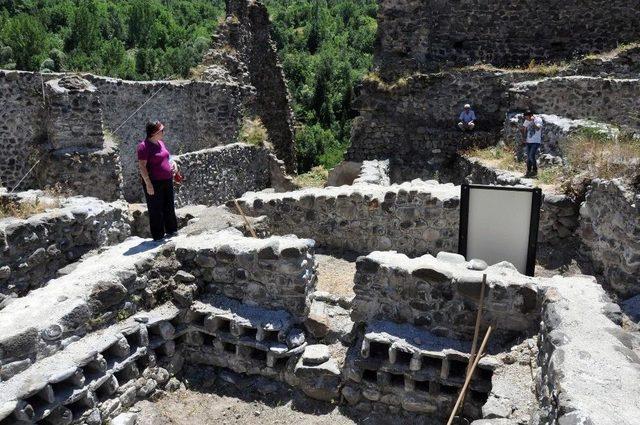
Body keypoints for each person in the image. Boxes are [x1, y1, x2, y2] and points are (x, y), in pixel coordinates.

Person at [137, 121, 179, 241]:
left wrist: (174, 163)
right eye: (161, 130)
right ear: (154, 133)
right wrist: (148, 184)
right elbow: (142, 166)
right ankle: (158, 236)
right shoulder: (143, 147)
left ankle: (172, 230)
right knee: (156, 209)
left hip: (167, 180)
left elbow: (168, 156)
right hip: (154, 182)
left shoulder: (161, 143)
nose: (163, 132)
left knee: (169, 206)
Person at [520, 111, 543, 178]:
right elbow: (523, 128)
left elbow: (538, 129)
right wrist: (523, 137)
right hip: (528, 141)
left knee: (531, 156)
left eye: (527, 118)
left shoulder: (538, 120)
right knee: (528, 158)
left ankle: (535, 170)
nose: (526, 119)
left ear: (531, 116)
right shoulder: (527, 120)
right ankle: (528, 171)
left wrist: (532, 122)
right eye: (525, 118)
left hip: (536, 141)